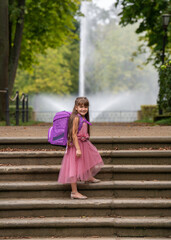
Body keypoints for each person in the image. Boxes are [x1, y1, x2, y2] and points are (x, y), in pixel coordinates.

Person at [58, 97, 104, 199]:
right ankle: (74, 192)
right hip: (76, 145)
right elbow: (74, 134)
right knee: (74, 168)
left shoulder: (83, 118)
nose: (83, 109)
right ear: (76, 107)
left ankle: (87, 176)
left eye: (85, 107)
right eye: (81, 106)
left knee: (95, 156)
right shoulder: (76, 118)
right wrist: (78, 149)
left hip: (84, 143)